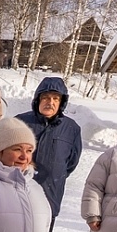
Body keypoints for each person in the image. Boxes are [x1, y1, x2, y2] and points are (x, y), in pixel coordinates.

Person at [16, 76, 83, 219]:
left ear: (62, 102)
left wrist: (55, 175)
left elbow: (71, 163)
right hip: (18, 196)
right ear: (38, 100)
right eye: (45, 98)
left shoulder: (71, 129)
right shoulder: (20, 122)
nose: (50, 102)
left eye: (55, 99)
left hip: (50, 196)